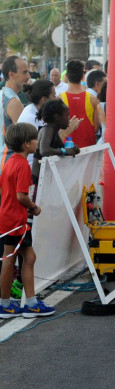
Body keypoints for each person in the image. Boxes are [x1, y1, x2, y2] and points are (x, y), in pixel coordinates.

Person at [0, 123, 56, 319]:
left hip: (9, 218)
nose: (37, 141)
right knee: (11, 260)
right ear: (26, 144)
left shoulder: (10, 161)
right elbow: (21, 196)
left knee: (27, 258)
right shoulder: (23, 165)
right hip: (16, 220)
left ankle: (18, 302)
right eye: (34, 139)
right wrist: (34, 207)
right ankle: (13, 304)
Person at [32, 100, 81, 185]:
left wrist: (73, 150)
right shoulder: (47, 130)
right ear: (57, 117)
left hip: (46, 178)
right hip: (39, 180)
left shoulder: (54, 132)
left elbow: (61, 148)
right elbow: (44, 150)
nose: (69, 118)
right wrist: (65, 151)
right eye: (67, 114)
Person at [59, 60, 99, 148]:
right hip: (88, 151)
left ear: (66, 76)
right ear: (82, 77)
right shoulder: (93, 99)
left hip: (66, 151)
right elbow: (96, 128)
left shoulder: (59, 99)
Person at [1, 56, 31, 171]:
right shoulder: (13, 102)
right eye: (24, 72)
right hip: (8, 165)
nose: (28, 76)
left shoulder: (3, 95)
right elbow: (24, 139)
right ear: (11, 75)